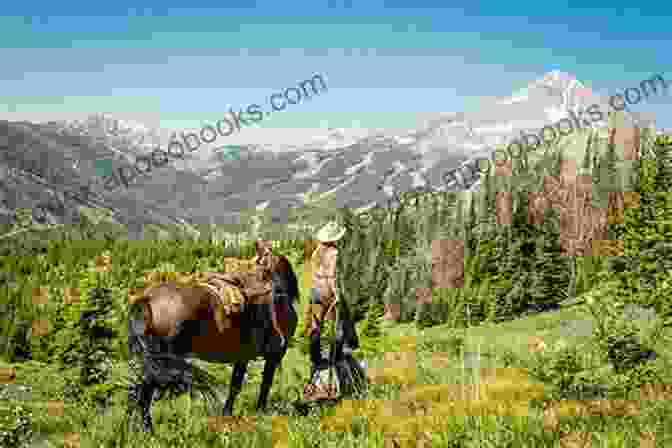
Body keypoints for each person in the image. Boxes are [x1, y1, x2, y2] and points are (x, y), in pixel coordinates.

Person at [305, 221, 347, 374]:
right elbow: (332, 276)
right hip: (327, 292)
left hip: (315, 290)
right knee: (337, 325)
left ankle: (315, 358)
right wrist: (336, 294)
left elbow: (314, 271)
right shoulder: (334, 253)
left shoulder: (317, 251)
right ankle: (336, 357)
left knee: (316, 326)